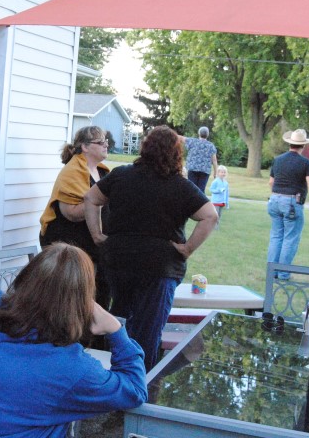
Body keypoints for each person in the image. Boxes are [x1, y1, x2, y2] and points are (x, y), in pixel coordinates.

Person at [0, 243, 147, 438]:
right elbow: (135, 390)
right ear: (82, 303)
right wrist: (116, 330)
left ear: (25, 280)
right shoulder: (69, 369)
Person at [84, 125, 218, 371]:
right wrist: (187, 248)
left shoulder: (121, 175)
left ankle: (113, 378)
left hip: (118, 261)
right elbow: (210, 216)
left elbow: (91, 198)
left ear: (145, 148)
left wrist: (96, 234)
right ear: (176, 154)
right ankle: (140, 382)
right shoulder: (180, 185)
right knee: (148, 330)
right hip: (159, 267)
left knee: (119, 322)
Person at [39, 126, 111, 310]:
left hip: (95, 248)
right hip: (70, 249)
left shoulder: (103, 172)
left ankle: (97, 328)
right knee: (72, 302)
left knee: (101, 296)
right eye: (100, 142)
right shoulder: (72, 171)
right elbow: (70, 213)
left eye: (106, 141)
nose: (106, 144)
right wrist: (98, 200)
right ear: (85, 147)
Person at [267, 129, 309, 280]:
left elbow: (271, 182)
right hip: (292, 202)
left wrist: (278, 195)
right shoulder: (306, 163)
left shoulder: (278, 160)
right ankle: (283, 273)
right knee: (290, 238)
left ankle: (272, 272)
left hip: (274, 200)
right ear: (303, 145)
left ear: (289, 143)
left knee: (276, 236)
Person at [183, 126, 218, 192]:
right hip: (205, 170)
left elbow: (180, 138)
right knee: (201, 191)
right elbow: (214, 160)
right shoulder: (211, 146)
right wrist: (215, 173)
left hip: (192, 168)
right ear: (207, 135)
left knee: (192, 189)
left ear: (199, 133)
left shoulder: (192, 141)